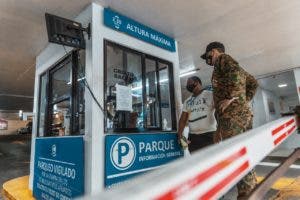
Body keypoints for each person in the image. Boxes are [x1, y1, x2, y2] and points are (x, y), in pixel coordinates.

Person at [201, 42, 258, 199]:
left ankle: (246, 194)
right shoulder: (228, 66)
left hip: (233, 118)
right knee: (244, 151)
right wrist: (242, 101)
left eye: (207, 56)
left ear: (213, 52)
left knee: (237, 154)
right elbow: (253, 82)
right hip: (239, 116)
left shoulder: (222, 60)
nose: (207, 60)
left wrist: (231, 99)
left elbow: (237, 75)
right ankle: (251, 189)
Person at [177, 76, 217, 153]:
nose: (187, 85)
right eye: (187, 84)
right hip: (193, 137)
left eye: (189, 82)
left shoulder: (210, 94)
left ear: (197, 83)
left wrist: (219, 131)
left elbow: (219, 112)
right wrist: (180, 135)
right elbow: (182, 120)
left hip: (209, 134)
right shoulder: (187, 101)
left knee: (211, 160)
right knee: (196, 160)